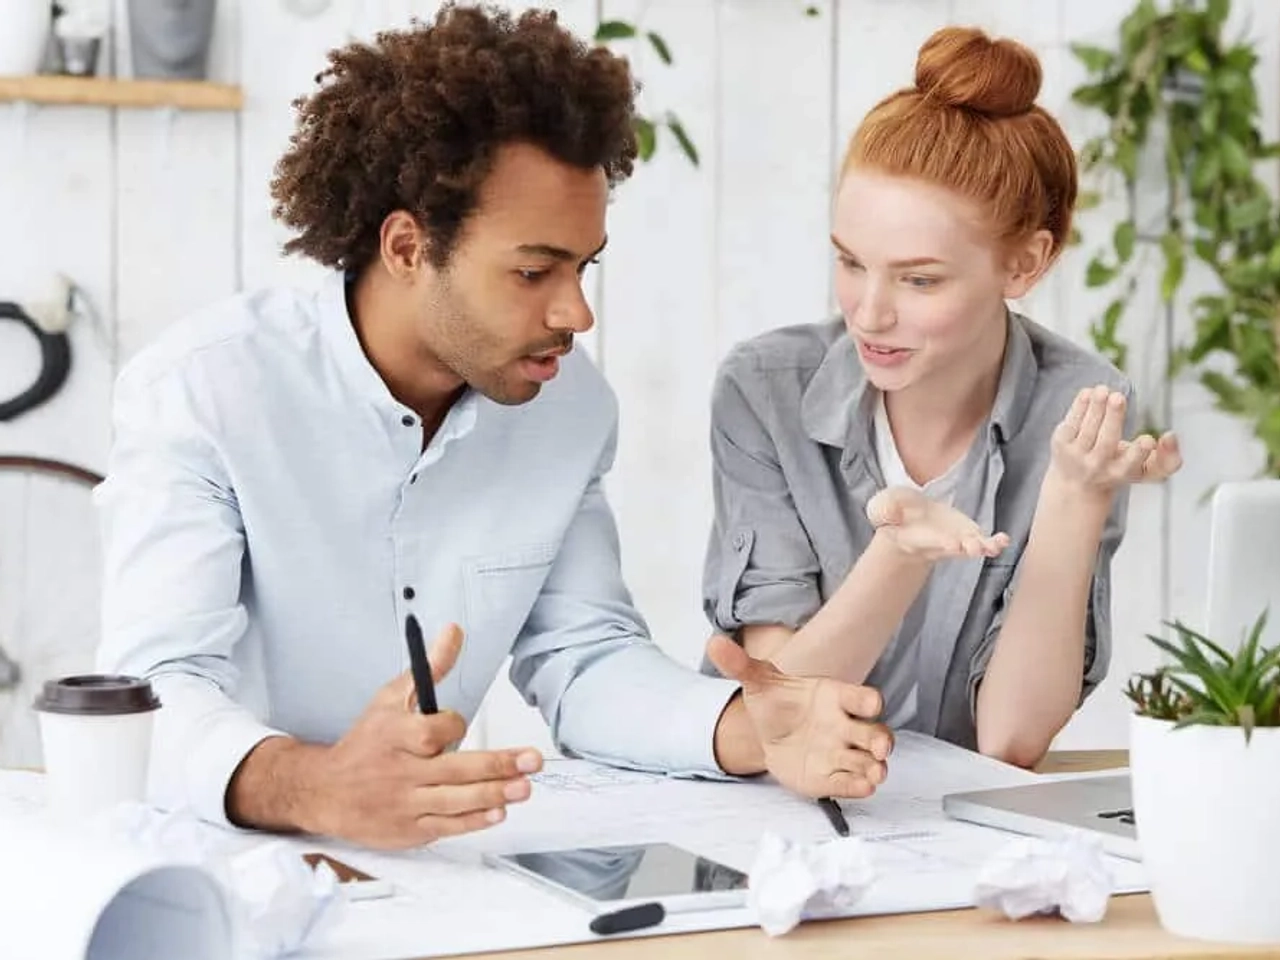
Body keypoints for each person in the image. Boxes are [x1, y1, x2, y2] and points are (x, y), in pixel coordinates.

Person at [93, 3, 894, 852]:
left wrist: (743, 728)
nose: (576, 310)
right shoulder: (205, 391)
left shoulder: (569, 408)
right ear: (406, 247)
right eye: (533, 270)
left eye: (583, 267)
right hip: (212, 865)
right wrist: (317, 785)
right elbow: (150, 690)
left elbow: (584, 659)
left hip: (437, 880)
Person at [701, 26, 1183, 769]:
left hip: (958, 835)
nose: (869, 313)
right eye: (851, 263)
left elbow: (1012, 739)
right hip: (772, 812)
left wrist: (1075, 500)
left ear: (1023, 264)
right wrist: (901, 553)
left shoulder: (1082, 408)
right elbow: (783, 706)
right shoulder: (765, 392)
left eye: (919, 279)